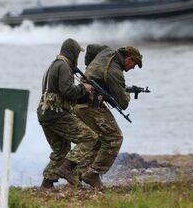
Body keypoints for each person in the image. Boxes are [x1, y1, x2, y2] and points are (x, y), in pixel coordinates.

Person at [74, 45, 143, 188]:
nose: (132, 68)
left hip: (79, 101)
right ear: (128, 59)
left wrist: (89, 69)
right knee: (114, 138)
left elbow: (90, 48)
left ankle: (78, 172)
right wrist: (126, 92)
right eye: (134, 64)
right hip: (89, 105)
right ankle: (93, 174)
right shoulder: (115, 72)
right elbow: (123, 103)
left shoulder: (106, 50)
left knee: (98, 139)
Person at [37, 38, 99, 188]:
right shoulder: (63, 66)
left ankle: (46, 184)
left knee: (61, 150)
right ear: (72, 53)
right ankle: (67, 168)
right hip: (57, 114)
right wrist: (85, 88)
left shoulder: (53, 65)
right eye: (77, 53)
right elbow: (68, 90)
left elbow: (62, 92)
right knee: (90, 138)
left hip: (46, 114)